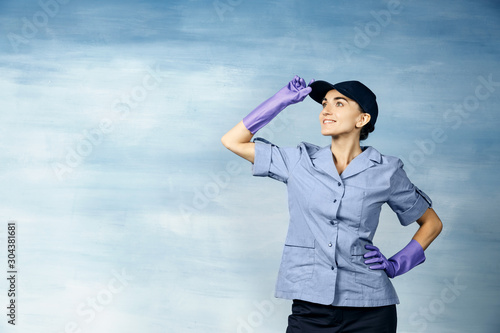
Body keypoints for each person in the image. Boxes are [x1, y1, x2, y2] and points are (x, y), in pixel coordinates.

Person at [221, 75, 443, 332]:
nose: (326, 110)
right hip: (310, 308)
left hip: (371, 309)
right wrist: (281, 101)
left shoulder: (387, 171)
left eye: (339, 104)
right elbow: (232, 141)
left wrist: (396, 264)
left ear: (362, 119)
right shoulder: (298, 161)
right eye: (324, 104)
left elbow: (432, 223)